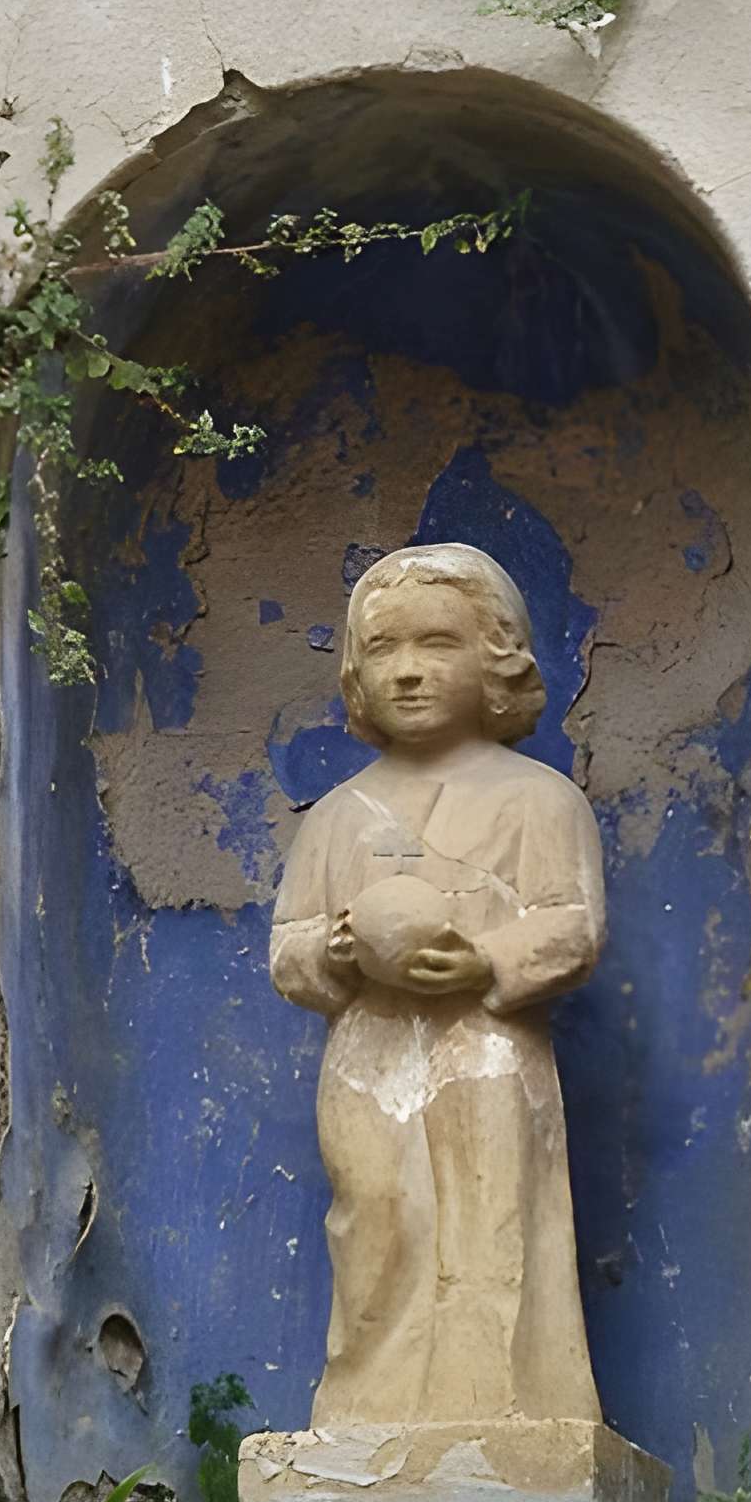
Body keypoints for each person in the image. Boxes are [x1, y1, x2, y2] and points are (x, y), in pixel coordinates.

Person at [270, 541, 608, 1430]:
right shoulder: (340, 815)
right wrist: (338, 956)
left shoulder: (539, 802)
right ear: (355, 671)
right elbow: (289, 946)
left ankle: (505, 1411)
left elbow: (571, 924)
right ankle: (367, 1417)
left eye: (437, 645)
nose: (409, 673)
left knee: (493, 1223)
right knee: (376, 1221)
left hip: (488, 1054)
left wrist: (489, 964)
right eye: (383, 650)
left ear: (497, 659)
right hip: (369, 1057)